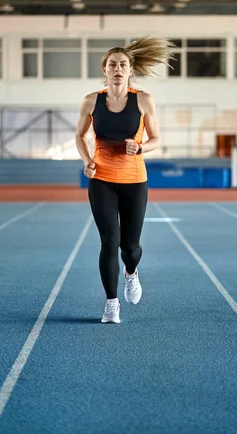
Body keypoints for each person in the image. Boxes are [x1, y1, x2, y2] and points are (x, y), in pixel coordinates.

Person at [75, 35, 174, 324]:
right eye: (112, 64)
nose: (117, 68)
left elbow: (156, 139)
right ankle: (111, 303)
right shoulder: (91, 101)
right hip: (102, 178)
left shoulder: (143, 100)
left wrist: (141, 147)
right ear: (104, 70)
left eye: (123, 64)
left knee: (129, 247)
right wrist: (87, 161)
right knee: (109, 242)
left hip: (134, 180)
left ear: (131, 70)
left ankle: (131, 273)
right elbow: (79, 136)